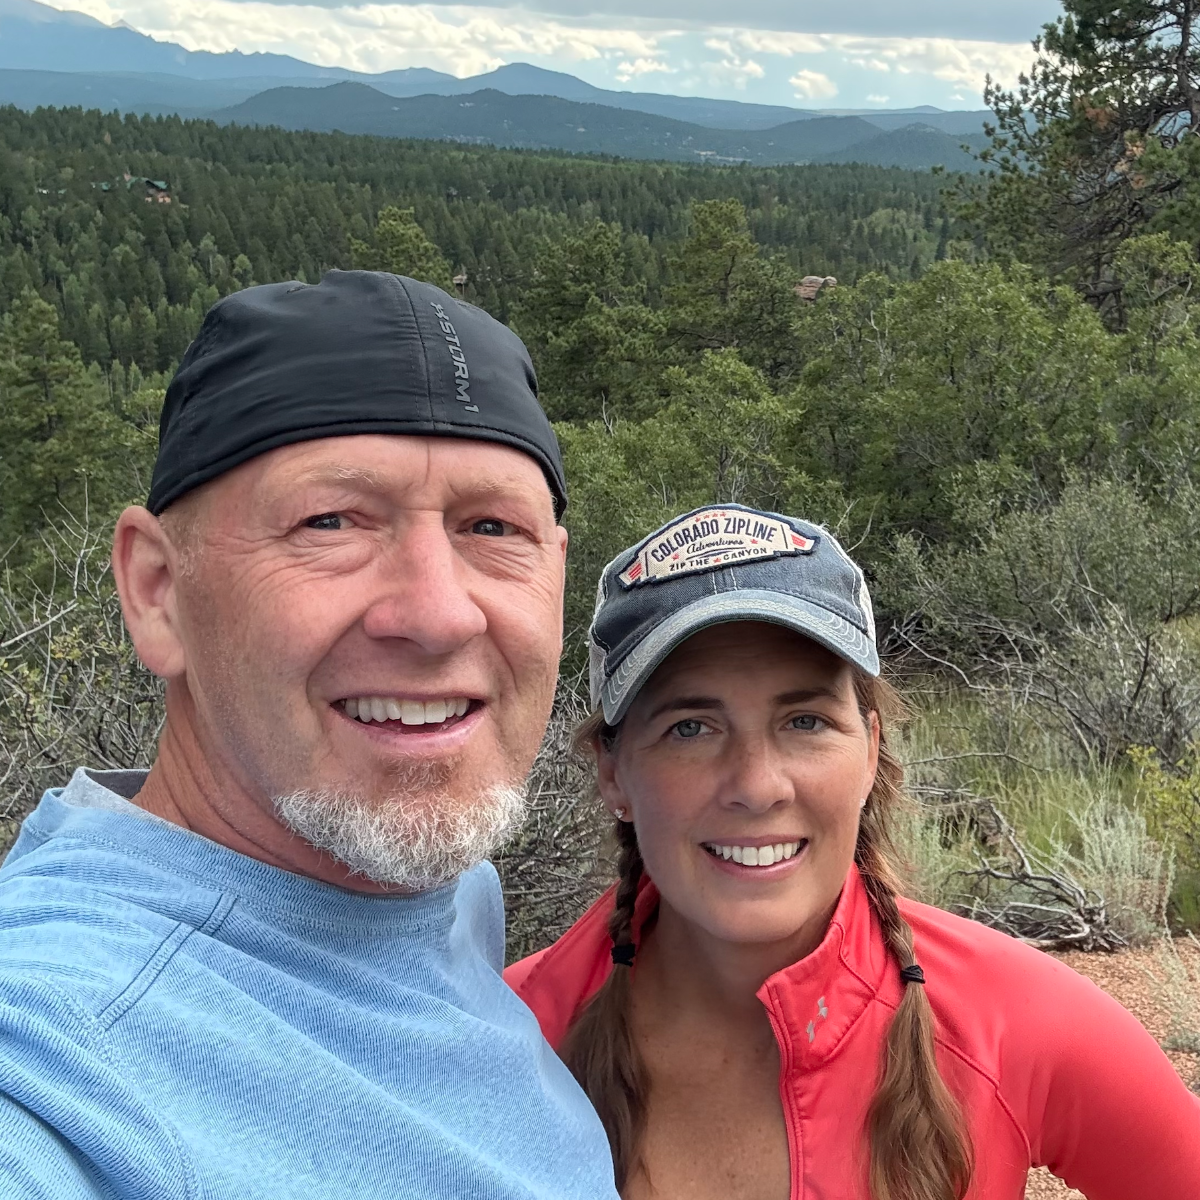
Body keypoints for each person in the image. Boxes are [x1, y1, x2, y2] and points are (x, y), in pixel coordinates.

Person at [0, 271, 620, 1199]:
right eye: (330, 522)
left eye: (493, 528)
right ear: (157, 592)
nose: (439, 615)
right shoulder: (60, 1064)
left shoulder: (441, 893)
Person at [505, 503, 1200, 1200]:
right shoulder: (503, 1040)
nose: (758, 786)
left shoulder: (1014, 1023)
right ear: (613, 772)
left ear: (870, 752)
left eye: (805, 721)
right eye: (690, 728)